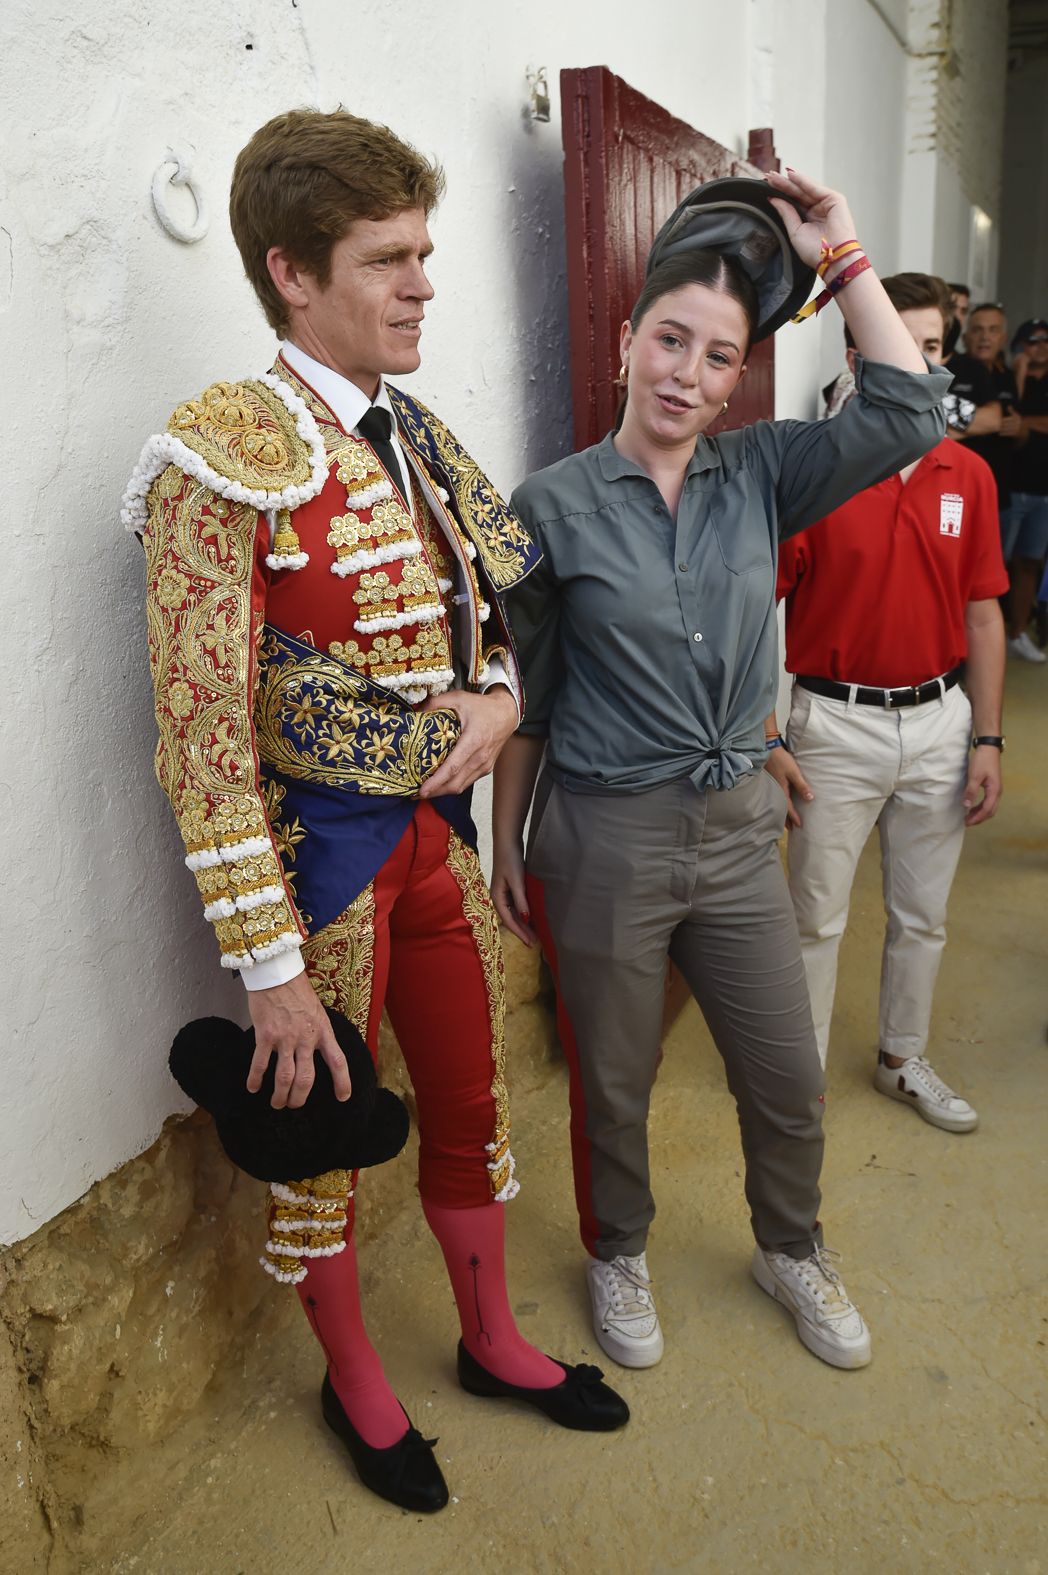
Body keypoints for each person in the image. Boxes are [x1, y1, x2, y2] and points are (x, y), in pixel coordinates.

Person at [124, 107, 626, 1516]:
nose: (422, 284)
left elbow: (498, 621)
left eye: (423, 251)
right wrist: (268, 971)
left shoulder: (417, 434)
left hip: (435, 850)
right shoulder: (217, 457)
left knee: (470, 1101)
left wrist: (501, 705)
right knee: (324, 1149)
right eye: (387, 259)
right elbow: (202, 734)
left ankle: (492, 1339)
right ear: (292, 274)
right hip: (319, 867)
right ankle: (354, 1381)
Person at [491, 170, 950, 1375]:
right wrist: (504, 842)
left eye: (717, 356)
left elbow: (910, 409)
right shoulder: (548, 507)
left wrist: (842, 250)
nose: (686, 374)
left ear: (740, 375)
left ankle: (789, 1247)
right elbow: (530, 693)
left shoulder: (763, 473)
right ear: (626, 342)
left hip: (740, 833)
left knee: (785, 1074)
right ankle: (618, 1250)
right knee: (614, 1078)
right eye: (669, 340)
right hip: (604, 837)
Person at [768, 272, 1007, 1135]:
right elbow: (758, 610)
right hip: (833, 726)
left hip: (941, 721)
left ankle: (903, 1056)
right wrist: (768, 730)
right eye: (898, 344)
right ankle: (799, 1082)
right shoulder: (815, 474)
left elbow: (984, 613)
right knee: (814, 916)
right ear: (856, 353)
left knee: (923, 914)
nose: (918, 363)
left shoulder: (967, 474)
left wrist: (987, 738)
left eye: (931, 348)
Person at [1001, 318, 1048, 661]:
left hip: (1043, 491)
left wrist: (1024, 425)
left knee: (1030, 563)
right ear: (1019, 344)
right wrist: (1018, 376)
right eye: (1032, 340)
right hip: (1009, 489)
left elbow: (1017, 423)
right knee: (996, 565)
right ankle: (988, 635)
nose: (1040, 346)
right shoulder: (1007, 375)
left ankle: (1017, 633)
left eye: (1046, 340)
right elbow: (1005, 422)